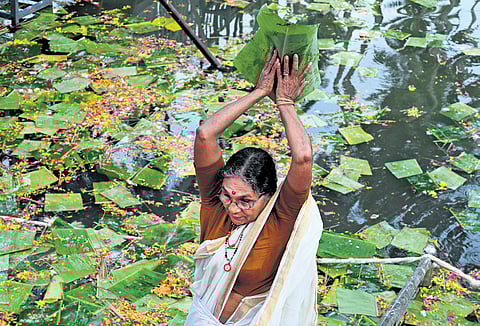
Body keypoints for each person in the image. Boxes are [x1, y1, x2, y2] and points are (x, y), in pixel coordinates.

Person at [186, 49, 323, 326]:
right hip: (203, 317)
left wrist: (285, 102)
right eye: (228, 196)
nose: (234, 208)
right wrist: (259, 91)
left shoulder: (280, 218)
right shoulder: (215, 205)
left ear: (268, 196)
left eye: (246, 201)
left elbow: (303, 158)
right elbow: (205, 134)